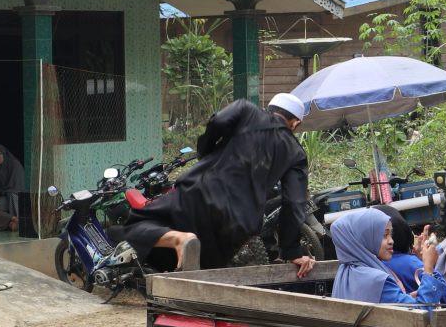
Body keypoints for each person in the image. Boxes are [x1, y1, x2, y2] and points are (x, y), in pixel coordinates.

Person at [123, 94, 315, 276]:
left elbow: (218, 122)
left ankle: (180, 239)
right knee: (203, 270)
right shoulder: (296, 154)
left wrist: (207, 153)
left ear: (268, 108)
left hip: (199, 195)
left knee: (136, 225)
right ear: (295, 123)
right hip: (239, 226)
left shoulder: (247, 110)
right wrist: (292, 251)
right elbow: (294, 203)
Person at [330, 208, 446, 307]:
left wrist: (408, 297)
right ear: (365, 238)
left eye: (391, 235)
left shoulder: (345, 272)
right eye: (384, 235)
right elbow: (421, 314)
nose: (391, 241)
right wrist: (428, 268)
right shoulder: (377, 280)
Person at [375, 205, 425, 289]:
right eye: (385, 234)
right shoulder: (412, 263)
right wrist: (427, 262)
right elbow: (445, 294)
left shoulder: (368, 265)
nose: (391, 241)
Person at [0, 144, 25, 220]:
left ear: (4, 154)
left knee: (11, 195)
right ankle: (6, 223)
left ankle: (17, 221)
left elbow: (15, 188)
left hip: (18, 197)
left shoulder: (15, 165)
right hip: (5, 196)